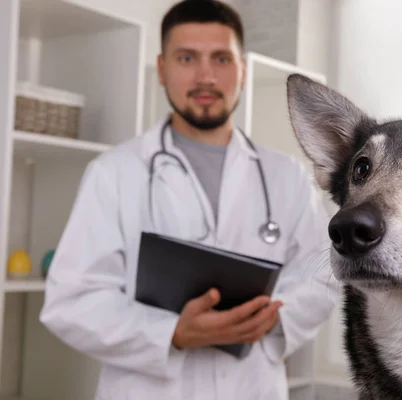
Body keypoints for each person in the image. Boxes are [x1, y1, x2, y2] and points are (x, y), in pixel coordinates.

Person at [39, 1, 339, 399]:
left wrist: (267, 319)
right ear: (162, 69)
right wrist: (171, 333)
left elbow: (322, 275)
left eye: (220, 58)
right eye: (187, 58)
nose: (205, 76)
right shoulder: (113, 172)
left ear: (243, 70)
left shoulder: (286, 176)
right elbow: (71, 300)